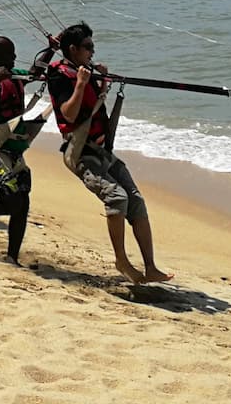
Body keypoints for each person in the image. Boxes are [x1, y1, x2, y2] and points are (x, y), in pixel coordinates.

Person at [46, 22, 172, 284]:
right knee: (116, 197)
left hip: (102, 151)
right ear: (72, 49)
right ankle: (121, 260)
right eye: (87, 47)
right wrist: (81, 84)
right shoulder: (59, 75)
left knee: (135, 200)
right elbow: (68, 113)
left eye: (93, 46)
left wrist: (101, 83)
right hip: (79, 152)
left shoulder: (87, 71)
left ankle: (151, 266)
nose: (92, 51)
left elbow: (97, 105)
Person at [0, 36, 47, 264]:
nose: (15, 57)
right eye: (11, 53)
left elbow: (34, 73)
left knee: (23, 204)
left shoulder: (15, 75)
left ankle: (12, 257)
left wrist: (52, 48)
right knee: (12, 201)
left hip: (14, 149)